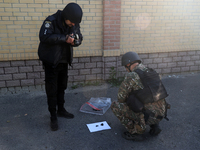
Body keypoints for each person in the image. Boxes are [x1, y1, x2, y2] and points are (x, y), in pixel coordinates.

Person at [38, 3, 83, 131]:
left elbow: (79, 36)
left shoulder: (73, 23)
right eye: (72, 22)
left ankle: (61, 110)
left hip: (64, 61)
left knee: (62, 87)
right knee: (52, 90)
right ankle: (53, 116)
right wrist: (64, 39)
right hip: (51, 61)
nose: (73, 25)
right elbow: (44, 37)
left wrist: (76, 41)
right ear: (65, 16)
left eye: (75, 23)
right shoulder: (50, 21)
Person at [111, 51, 170, 141]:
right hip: (161, 113)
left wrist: (130, 97)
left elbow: (121, 98)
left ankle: (136, 131)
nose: (126, 69)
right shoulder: (152, 71)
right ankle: (154, 125)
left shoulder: (132, 76)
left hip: (147, 116)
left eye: (125, 67)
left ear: (128, 64)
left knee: (115, 106)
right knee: (148, 97)